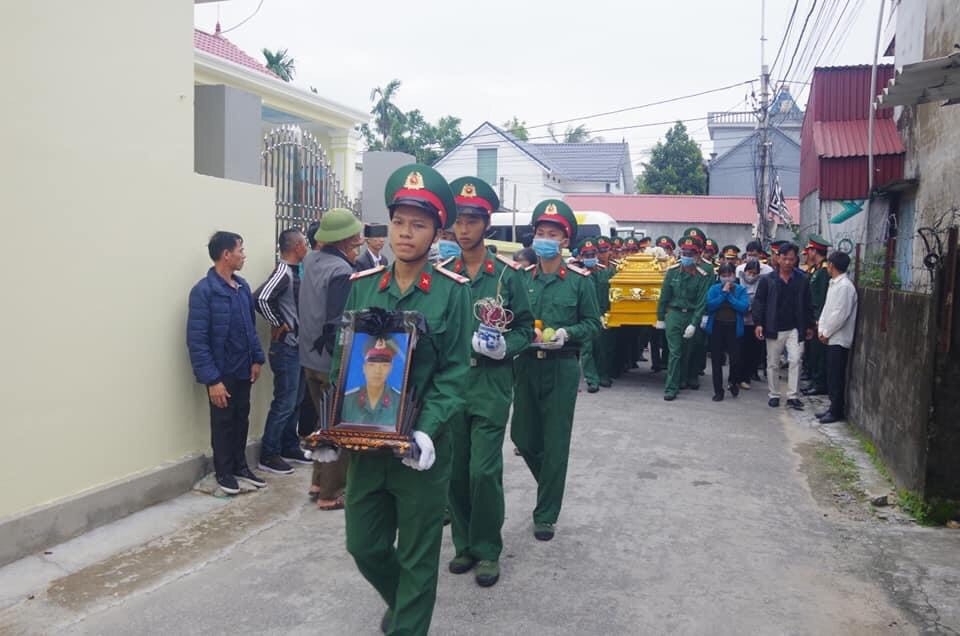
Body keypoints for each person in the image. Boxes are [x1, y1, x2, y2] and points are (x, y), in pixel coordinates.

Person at [319, 164, 472, 635]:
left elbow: (456, 372)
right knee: (363, 546)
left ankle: (408, 623)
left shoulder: (451, 293)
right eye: (400, 223)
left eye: (419, 225)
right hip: (368, 447)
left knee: (418, 556)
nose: (406, 234)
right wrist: (334, 425)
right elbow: (343, 364)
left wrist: (428, 429)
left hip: (420, 451)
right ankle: (404, 604)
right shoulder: (362, 286)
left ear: (436, 233)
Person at [441, 176, 533, 588]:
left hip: (492, 384)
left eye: (471, 220)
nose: (463, 229)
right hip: (454, 385)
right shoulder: (444, 274)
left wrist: (504, 348)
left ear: (486, 223)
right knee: (456, 472)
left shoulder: (507, 276)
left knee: (483, 471)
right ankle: (464, 544)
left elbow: (526, 328)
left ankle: (488, 549)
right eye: (458, 221)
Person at [511, 200, 601, 542]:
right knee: (522, 435)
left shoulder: (579, 281)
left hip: (562, 367)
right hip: (526, 364)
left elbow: (593, 323)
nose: (544, 239)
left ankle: (546, 513)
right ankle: (550, 483)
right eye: (540, 233)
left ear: (565, 241)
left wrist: (568, 334)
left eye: (552, 234)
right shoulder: (521, 279)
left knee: (555, 442)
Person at [187, 231, 267, 495]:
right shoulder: (204, 292)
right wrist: (212, 380)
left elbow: (250, 328)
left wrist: (256, 359)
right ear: (226, 255)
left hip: (243, 368)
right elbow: (197, 340)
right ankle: (223, 472)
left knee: (241, 418)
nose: (244, 255)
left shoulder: (242, 287)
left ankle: (240, 466)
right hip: (221, 372)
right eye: (240, 250)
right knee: (222, 422)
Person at [299, 208, 365, 510]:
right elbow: (340, 321)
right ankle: (331, 493)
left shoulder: (311, 260)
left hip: (309, 358)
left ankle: (317, 481)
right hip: (330, 362)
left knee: (322, 424)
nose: (359, 240)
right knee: (340, 426)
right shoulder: (340, 271)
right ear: (345, 238)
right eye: (355, 235)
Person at [253, 229, 311, 475]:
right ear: (296, 247)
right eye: (304, 243)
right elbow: (261, 299)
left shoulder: (297, 272)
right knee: (284, 402)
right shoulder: (283, 272)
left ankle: (289, 445)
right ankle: (269, 453)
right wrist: (279, 323)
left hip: (298, 347)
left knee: (296, 400)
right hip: (286, 347)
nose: (306, 247)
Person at [752, 242, 815, 410]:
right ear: (778, 258)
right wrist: (758, 323)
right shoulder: (768, 280)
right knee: (772, 363)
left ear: (796, 260)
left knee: (795, 359)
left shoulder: (802, 280)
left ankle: (793, 396)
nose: (788, 262)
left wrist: (809, 325)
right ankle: (774, 394)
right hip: (774, 327)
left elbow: (808, 303)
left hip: (795, 327)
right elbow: (759, 302)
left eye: (791, 259)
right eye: (785, 258)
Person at [655, 236, 712, 401]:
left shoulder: (703, 274)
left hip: (691, 315)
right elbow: (664, 296)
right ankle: (671, 387)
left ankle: (682, 379)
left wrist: (695, 323)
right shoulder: (673, 271)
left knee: (687, 351)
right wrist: (660, 318)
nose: (687, 256)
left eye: (690, 253)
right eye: (684, 253)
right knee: (675, 352)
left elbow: (702, 300)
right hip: (674, 314)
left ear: (697, 255)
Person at [816, 252, 858, 423]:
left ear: (831, 265)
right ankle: (832, 407)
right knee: (831, 374)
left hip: (839, 338)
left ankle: (836, 410)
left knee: (836, 376)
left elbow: (840, 314)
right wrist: (822, 329)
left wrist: (826, 332)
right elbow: (828, 309)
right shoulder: (834, 284)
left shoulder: (845, 287)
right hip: (830, 336)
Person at [705, 263, 749, 401]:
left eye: (729, 275)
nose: (727, 279)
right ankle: (718, 391)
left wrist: (729, 296)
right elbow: (710, 306)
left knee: (735, 359)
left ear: (734, 276)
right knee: (717, 361)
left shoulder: (741, 290)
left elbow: (743, 307)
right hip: (717, 326)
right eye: (724, 276)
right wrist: (723, 294)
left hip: (734, 327)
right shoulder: (714, 289)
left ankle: (733, 382)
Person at [573, 237, 607, 393]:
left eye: (592, 255)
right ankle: (592, 380)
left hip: (603, 315)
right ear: (580, 257)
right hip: (585, 317)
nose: (590, 258)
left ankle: (603, 375)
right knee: (587, 349)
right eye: (586, 256)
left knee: (601, 348)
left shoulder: (603, 272)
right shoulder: (577, 274)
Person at [341, 337, 402, 426]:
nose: (377, 371)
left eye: (384, 365)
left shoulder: (399, 401)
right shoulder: (347, 400)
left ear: (390, 369)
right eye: (372, 365)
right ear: (364, 368)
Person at [801, 235, 832, 396]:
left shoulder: (824, 272)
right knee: (813, 352)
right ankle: (814, 379)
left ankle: (819, 383)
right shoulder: (818, 269)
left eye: (810, 250)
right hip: (814, 317)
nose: (808, 253)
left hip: (819, 318)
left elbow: (822, 298)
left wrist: (818, 319)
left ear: (815, 251)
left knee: (819, 353)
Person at [736, 259, 764, 389]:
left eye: (754, 273)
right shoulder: (738, 281)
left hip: (753, 322)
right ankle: (736, 377)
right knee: (738, 351)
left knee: (750, 352)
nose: (751, 275)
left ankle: (745, 377)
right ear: (745, 271)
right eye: (749, 272)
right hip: (739, 320)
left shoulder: (762, 283)